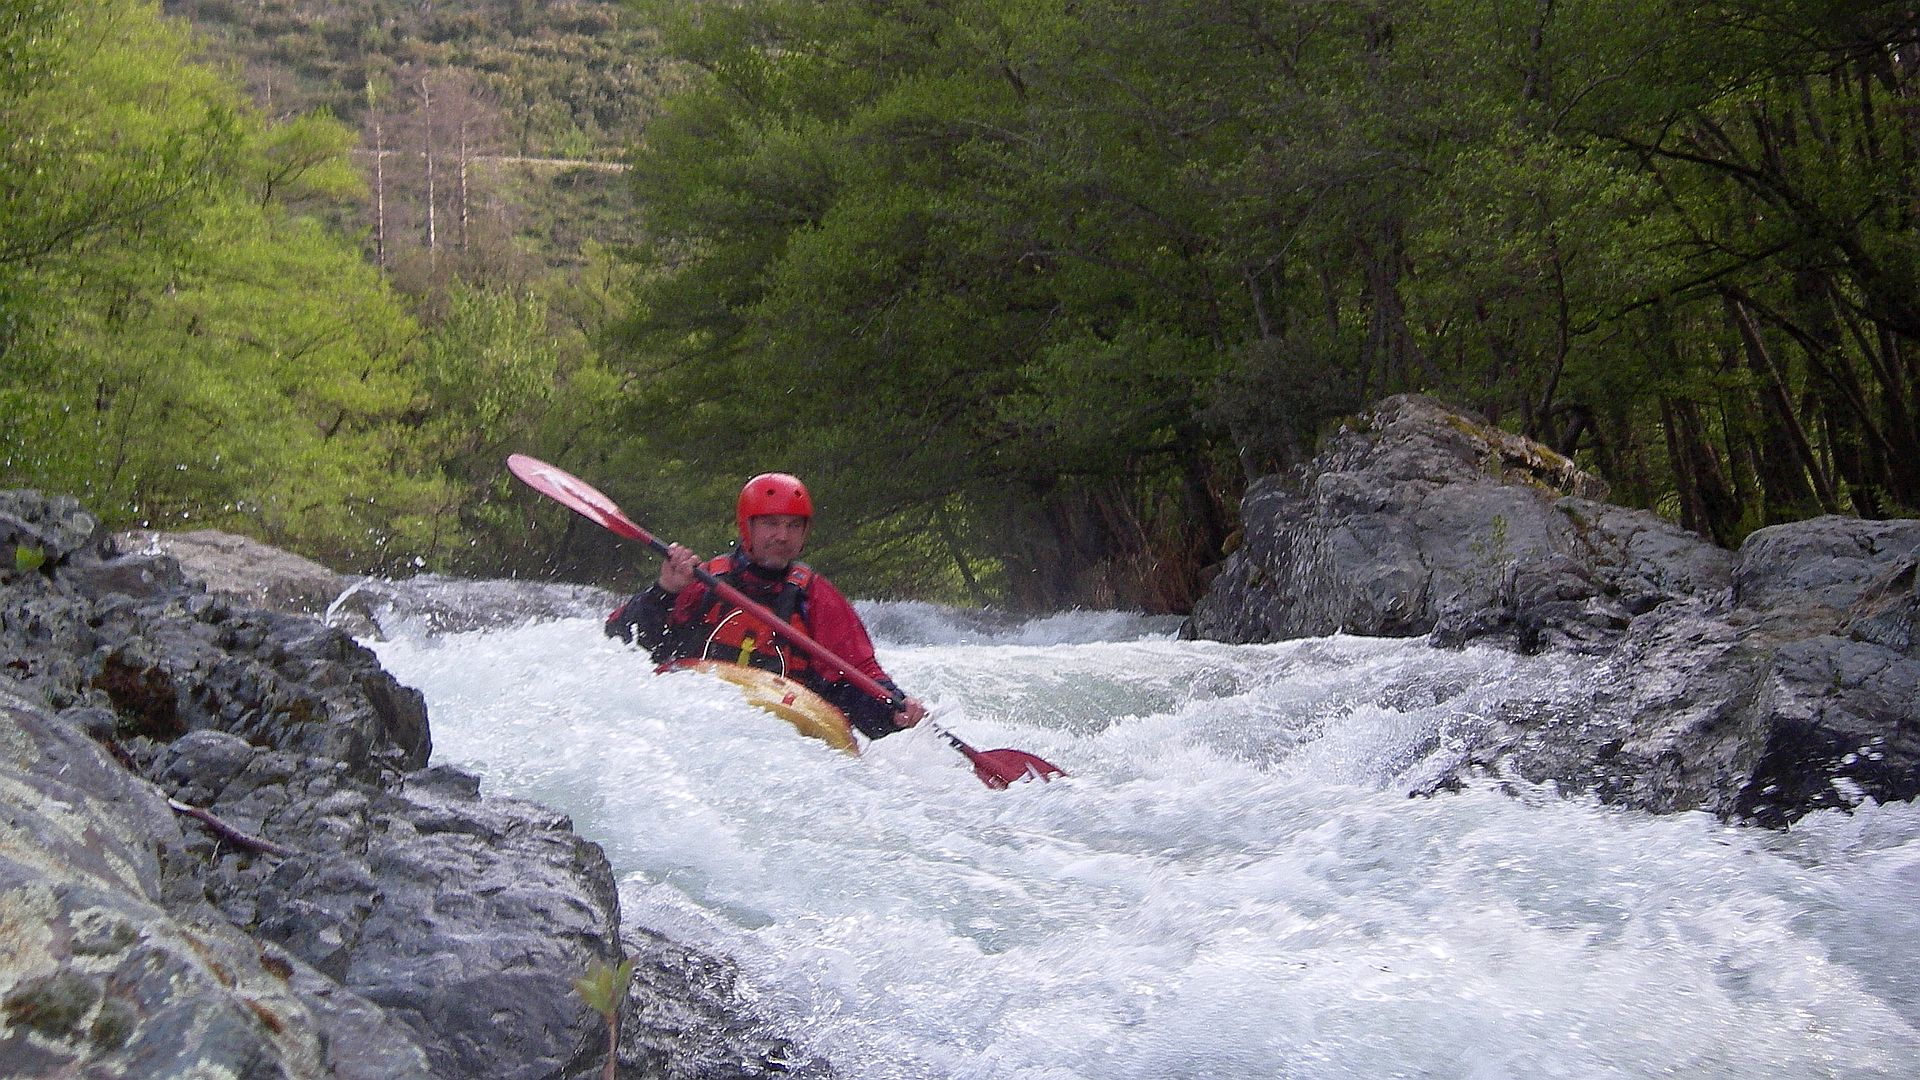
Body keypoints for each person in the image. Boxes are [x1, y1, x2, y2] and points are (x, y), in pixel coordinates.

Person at [605, 472, 927, 739]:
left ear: (804, 534)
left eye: (793, 526)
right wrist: (665, 591)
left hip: (778, 738)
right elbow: (621, 642)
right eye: (771, 524)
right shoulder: (701, 581)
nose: (782, 536)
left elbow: (858, 678)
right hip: (695, 725)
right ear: (748, 526)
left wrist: (891, 710)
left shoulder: (817, 598)